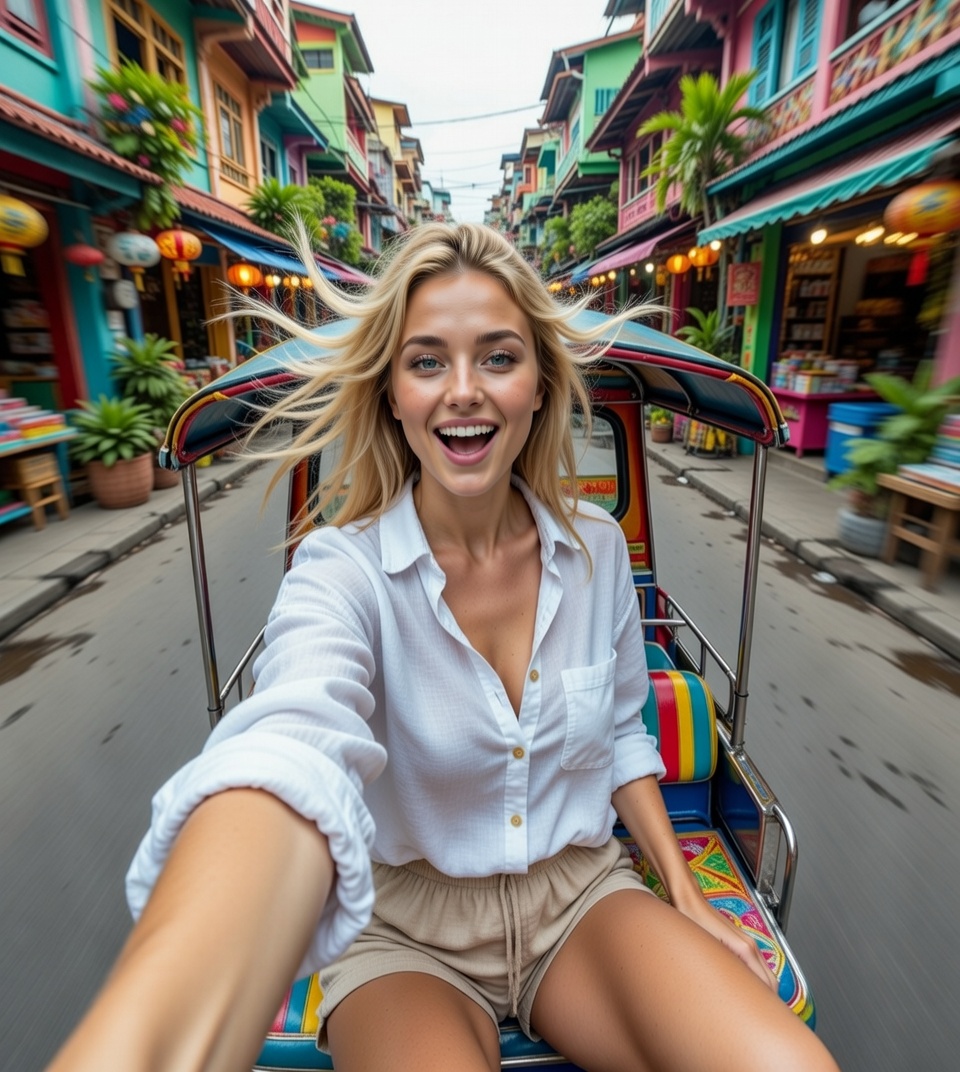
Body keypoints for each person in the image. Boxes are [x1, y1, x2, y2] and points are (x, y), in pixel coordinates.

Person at [48, 224, 839, 1072]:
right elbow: (293, 748)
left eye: (499, 358)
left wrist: (686, 895)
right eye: (427, 362)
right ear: (392, 393)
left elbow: (619, 737)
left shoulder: (599, 550)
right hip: (404, 934)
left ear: (540, 386)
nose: (464, 390)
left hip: (578, 898)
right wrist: (175, 998)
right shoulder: (339, 570)